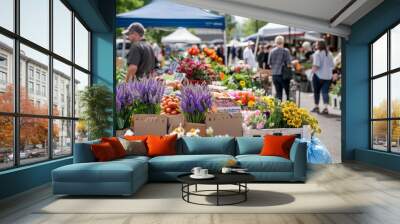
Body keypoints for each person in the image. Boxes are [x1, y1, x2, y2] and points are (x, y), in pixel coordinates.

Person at [311, 40, 335, 114]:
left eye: (316, 44)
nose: (315, 45)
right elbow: (332, 65)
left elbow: (316, 65)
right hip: (328, 76)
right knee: (325, 92)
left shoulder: (317, 53)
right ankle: (325, 108)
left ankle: (316, 107)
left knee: (316, 91)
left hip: (318, 75)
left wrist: (311, 72)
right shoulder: (329, 54)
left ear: (319, 45)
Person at [268, 36, 292, 101]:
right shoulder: (286, 51)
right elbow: (289, 64)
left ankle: (279, 109)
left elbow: (269, 64)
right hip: (283, 75)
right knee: (287, 93)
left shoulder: (272, 51)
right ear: (283, 42)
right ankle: (288, 107)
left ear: (276, 42)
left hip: (274, 75)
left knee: (278, 94)